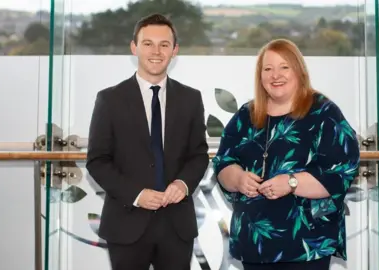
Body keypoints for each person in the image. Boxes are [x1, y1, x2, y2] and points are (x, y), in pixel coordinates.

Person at [212, 38, 360, 270]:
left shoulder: (324, 112)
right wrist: (238, 179)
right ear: (260, 77)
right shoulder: (246, 114)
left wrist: (291, 183)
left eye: (284, 67)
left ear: (299, 71)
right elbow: (223, 162)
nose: (275, 75)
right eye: (268, 69)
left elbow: (341, 171)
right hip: (254, 244)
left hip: (306, 246)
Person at [86, 13, 209, 270]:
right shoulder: (110, 99)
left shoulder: (191, 99)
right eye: (148, 43)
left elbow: (198, 154)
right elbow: (97, 161)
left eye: (164, 44)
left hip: (177, 226)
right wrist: (137, 195)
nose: (156, 51)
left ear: (174, 50)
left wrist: (183, 184)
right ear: (134, 47)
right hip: (126, 224)